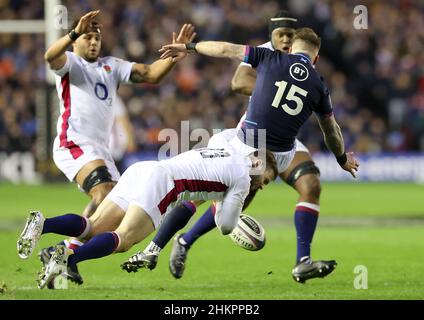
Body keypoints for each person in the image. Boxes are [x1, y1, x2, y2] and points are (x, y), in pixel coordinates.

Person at [140, 26, 360, 284]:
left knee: (305, 184)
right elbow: (330, 129)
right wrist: (342, 158)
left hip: (267, 142)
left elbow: (224, 49)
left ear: (290, 48)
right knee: (213, 191)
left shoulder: (270, 56)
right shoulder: (319, 84)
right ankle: (159, 246)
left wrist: (190, 47)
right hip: (263, 144)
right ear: (316, 58)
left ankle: (302, 261)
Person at [17, 9, 195, 283]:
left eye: (96, 38)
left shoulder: (111, 66)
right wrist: (73, 32)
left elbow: (150, 74)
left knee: (110, 216)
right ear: (76, 41)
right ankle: (49, 231)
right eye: (87, 37)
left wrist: (174, 56)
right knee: (103, 195)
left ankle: (63, 251)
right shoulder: (72, 65)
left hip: (101, 152)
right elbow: (49, 57)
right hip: (73, 143)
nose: (93, 42)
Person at [17, 140, 278, 289]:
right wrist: (243, 202)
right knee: (123, 239)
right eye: (266, 179)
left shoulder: (227, 148)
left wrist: (226, 198)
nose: (263, 185)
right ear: (257, 163)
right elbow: (225, 225)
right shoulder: (244, 179)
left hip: (143, 169)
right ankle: (69, 260)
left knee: (93, 226)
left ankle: (43, 223)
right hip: (164, 183)